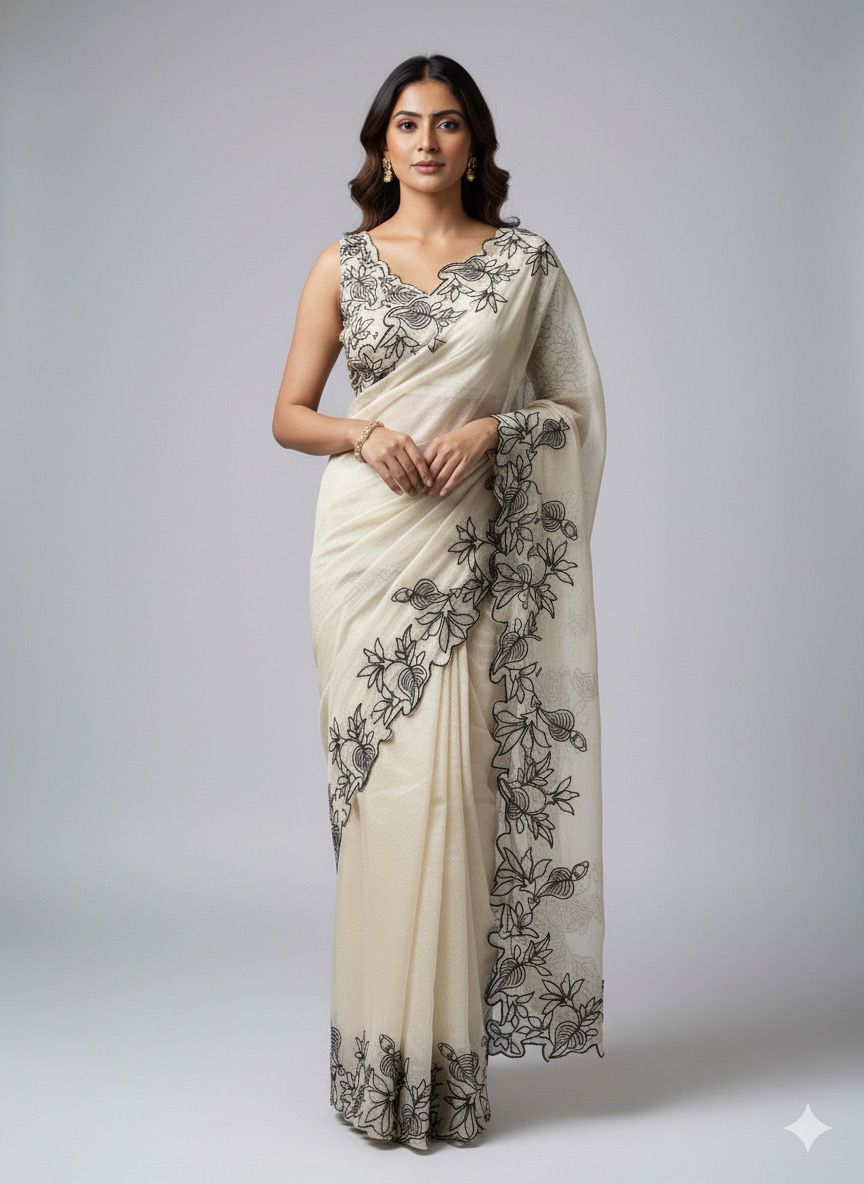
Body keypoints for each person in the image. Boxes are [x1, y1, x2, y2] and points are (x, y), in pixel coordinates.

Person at [272, 53, 607, 1151]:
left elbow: (575, 407)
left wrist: (495, 431)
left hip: (467, 553)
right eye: (408, 123)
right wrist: (364, 431)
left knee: (452, 793)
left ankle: (445, 1076)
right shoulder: (342, 264)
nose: (426, 141)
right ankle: (377, 1065)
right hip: (364, 554)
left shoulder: (525, 265)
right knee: (383, 803)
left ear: (475, 144)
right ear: (382, 144)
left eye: (448, 122)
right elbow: (289, 413)